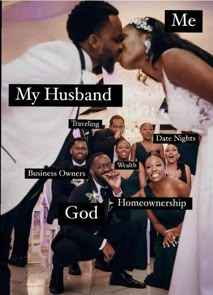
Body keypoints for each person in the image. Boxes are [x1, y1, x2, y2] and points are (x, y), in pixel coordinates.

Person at [1, 2, 124, 294]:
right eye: (116, 38)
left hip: (19, 181)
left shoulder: (80, 72)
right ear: (94, 41)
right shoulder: (61, 56)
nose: (120, 47)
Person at [119, 16, 213, 295]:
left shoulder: (172, 58)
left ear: (146, 37)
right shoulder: (163, 76)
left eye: (123, 36)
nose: (117, 44)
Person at [49, 153, 146, 293]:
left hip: (100, 236)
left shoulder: (112, 188)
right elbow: (69, 229)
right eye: (100, 167)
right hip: (80, 240)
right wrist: (102, 243)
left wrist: (117, 190)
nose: (106, 169)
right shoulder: (81, 191)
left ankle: (118, 274)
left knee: (131, 226)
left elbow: (125, 217)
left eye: (107, 165)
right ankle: (56, 276)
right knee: (64, 247)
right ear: (92, 171)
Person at [134, 154, 190, 289]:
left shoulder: (179, 186)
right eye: (148, 167)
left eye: (158, 165)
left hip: (187, 227)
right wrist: (166, 233)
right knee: (166, 253)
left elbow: (195, 213)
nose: (153, 169)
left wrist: (178, 230)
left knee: (173, 251)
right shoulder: (144, 194)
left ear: (165, 167)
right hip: (165, 232)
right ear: (145, 172)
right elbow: (156, 223)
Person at [115, 139, 147, 269]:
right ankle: (121, 260)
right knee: (118, 219)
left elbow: (144, 188)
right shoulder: (111, 166)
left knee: (138, 219)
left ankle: (137, 261)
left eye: (127, 147)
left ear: (130, 150)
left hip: (136, 201)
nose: (124, 150)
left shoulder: (138, 165)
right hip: (118, 202)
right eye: (120, 147)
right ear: (116, 151)